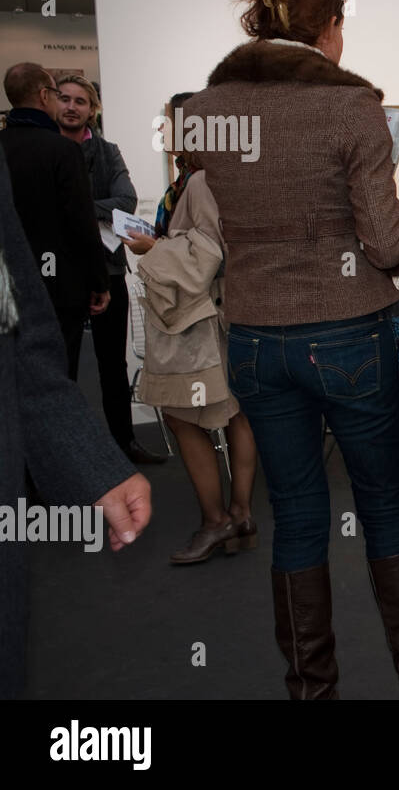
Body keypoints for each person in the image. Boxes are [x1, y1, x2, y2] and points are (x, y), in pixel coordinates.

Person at [183, 0, 399, 699]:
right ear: (328, 26)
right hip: (347, 335)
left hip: (253, 342)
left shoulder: (204, 114)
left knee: (298, 515)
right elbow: (387, 244)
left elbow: (216, 220)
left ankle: (311, 690)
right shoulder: (351, 106)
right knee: (383, 507)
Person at [0, 141, 153, 699]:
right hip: (84, 277)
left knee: (110, 372)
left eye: (77, 100)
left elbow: (20, 334)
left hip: (84, 282)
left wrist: (88, 461)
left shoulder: (97, 154)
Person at [123, 92, 260, 565]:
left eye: (171, 123)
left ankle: (216, 520)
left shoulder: (200, 181)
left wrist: (149, 250)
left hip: (199, 321)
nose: (164, 131)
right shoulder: (224, 174)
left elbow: (204, 258)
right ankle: (240, 515)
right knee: (238, 412)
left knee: (183, 417)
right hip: (229, 314)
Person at [57, 74, 166, 465]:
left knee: (112, 365)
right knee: (62, 365)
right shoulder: (44, 149)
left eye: (80, 101)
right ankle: (63, 453)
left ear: (92, 108)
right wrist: (96, 208)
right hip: (59, 274)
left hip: (109, 271)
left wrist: (72, 206)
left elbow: (127, 200)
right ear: (53, 102)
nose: (72, 107)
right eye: (65, 99)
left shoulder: (107, 152)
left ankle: (124, 443)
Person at [1, 64, 109, 375]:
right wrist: (98, 282)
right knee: (58, 376)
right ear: (44, 95)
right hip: (57, 288)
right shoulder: (61, 150)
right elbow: (80, 222)